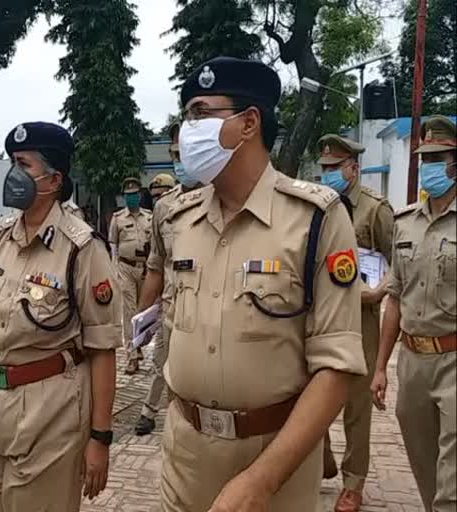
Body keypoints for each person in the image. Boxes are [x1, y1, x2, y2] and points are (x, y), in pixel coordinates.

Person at [160, 56, 366, 512]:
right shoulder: (181, 219)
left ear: (248, 123)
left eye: (200, 113)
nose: (187, 130)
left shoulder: (316, 219)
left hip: (273, 465)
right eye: (186, 115)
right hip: (185, 455)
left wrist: (261, 481)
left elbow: (336, 365)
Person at [0, 122, 122, 512]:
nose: (12, 174)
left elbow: (103, 347)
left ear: (54, 179)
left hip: (50, 415)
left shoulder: (82, 249)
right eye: (11, 162)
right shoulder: (0, 236)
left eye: (23, 164)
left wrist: (100, 438)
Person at [370, 115, 456, 512]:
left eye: (438, 157)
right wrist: (381, 366)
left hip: (454, 360)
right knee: (424, 466)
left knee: (450, 486)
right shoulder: (406, 223)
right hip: (413, 362)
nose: (429, 166)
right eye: (425, 157)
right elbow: (395, 298)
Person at [316, 134, 394, 512]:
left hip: (361, 319)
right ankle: (323, 458)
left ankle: (353, 483)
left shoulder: (375, 210)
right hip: (322, 316)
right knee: (312, 394)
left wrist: (379, 293)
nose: (328, 174)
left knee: (356, 408)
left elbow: (402, 264)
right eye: (325, 168)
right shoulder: (319, 207)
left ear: (353, 167)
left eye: (335, 167)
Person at [133, 128, 192, 436]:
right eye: (174, 156)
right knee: (161, 363)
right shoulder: (164, 207)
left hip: (210, 315)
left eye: (184, 153)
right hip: (171, 308)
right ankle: (150, 412)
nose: (179, 161)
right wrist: (141, 319)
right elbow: (155, 267)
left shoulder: (227, 200)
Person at [109, 177, 152, 374]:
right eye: (128, 196)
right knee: (129, 312)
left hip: (145, 269)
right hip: (125, 268)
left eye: (134, 195)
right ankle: (132, 356)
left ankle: (140, 344)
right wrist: (114, 268)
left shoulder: (149, 218)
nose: (131, 198)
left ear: (139, 195)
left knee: (144, 311)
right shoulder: (118, 218)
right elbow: (113, 246)